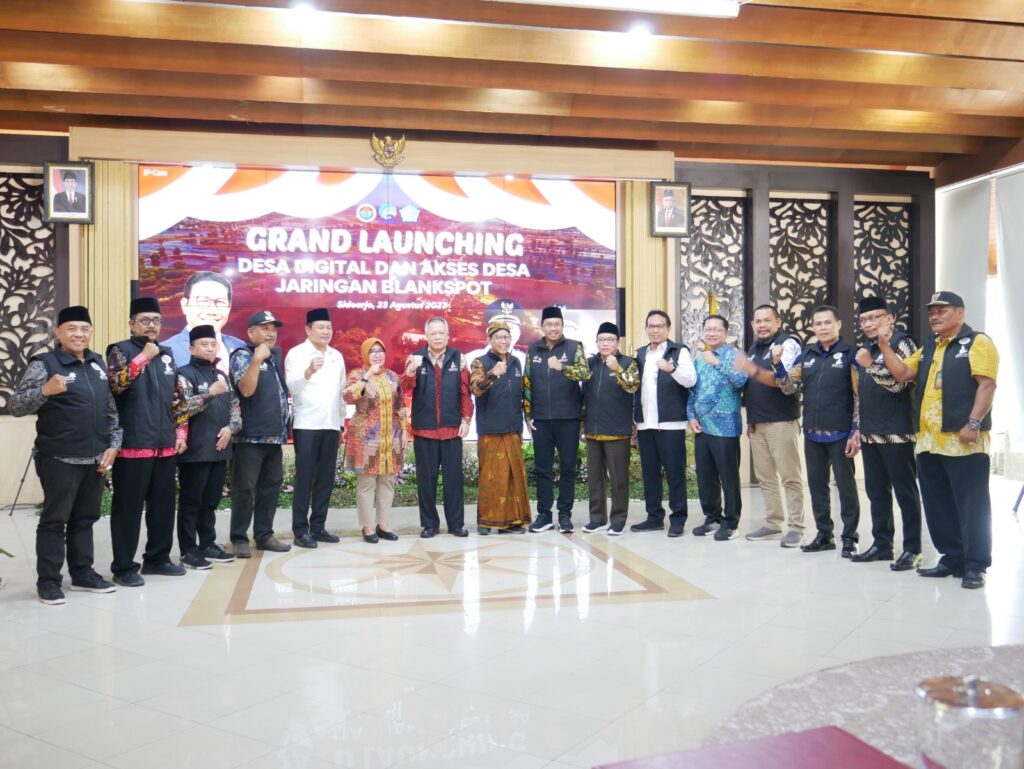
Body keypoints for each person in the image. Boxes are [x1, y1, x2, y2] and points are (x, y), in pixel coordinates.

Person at [876, 291, 998, 590]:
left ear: (960, 312)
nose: (934, 316)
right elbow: (903, 373)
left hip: (963, 440)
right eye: (932, 312)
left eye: (942, 310)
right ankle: (952, 558)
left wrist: (973, 422)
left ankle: (975, 565)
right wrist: (884, 346)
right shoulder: (929, 346)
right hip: (929, 441)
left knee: (972, 506)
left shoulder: (977, 342)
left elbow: (987, 385)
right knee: (938, 504)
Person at [10, 306, 121, 604]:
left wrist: (113, 446)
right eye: (72, 328)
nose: (79, 334)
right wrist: (45, 391)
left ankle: (83, 574)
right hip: (59, 457)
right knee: (54, 520)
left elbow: (110, 410)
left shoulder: (97, 363)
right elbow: (16, 406)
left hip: (95, 458)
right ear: (59, 333)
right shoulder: (45, 364)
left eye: (84, 329)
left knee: (85, 519)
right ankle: (48, 581)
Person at [106, 296, 188, 586]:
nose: (151, 325)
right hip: (133, 444)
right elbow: (116, 384)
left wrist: (181, 433)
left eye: (155, 320)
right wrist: (143, 358)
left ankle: (157, 559)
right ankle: (123, 567)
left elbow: (178, 398)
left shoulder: (167, 355)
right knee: (127, 510)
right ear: (132, 324)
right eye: (144, 320)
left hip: (165, 445)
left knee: (163, 508)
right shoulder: (120, 350)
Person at [774, 305, 861, 557]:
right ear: (812, 327)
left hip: (841, 433)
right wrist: (778, 365)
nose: (822, 327)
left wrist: (855, 430)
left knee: (845, 488)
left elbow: (860, 395)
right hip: (812, 433)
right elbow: (789, 388)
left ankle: (849, 537)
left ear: (838, 324)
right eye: (818, 324)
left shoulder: (851, 354)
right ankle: (824, 535)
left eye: (827, 322)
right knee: (817, 487)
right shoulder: (807, 354)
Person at [852, 296, 923, 571]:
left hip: (897, 432)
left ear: (890, 318)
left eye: (875, 317)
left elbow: (898, 385)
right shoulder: (867, 349)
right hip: (871, 433)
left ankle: (913, 549)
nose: (869, 324)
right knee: (876, 492)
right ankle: (882, 544)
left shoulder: (903, 342)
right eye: (864, 320)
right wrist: (858, 428)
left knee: (905, 493)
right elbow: (862, 395)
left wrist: (870, 365)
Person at [733, 305, 806, 547]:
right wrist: (751, 420)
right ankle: (773, 524)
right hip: (758, 423)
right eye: (758, 321)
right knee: (766, 478)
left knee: (790, 477)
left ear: (778, 322)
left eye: (767, 320)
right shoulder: (755, 348)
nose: (762, 325)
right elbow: (751, 388)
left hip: (781, 421)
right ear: (752, 325)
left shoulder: (788, 344)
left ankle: (796, 527)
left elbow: (783, 383)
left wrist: (751, 369)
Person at [174, 324, 240, 570]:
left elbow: (235, 407)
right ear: (191, 348)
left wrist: (231, 428)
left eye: (213, 344)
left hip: (219, 449)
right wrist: (209, 394)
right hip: (195, 450)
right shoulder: (183, 374)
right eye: (204, 344)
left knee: (211, 502)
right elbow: (180, 409)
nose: (210, 348)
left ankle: (208, 544)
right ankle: (188, 550)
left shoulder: (221, 375)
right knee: (191, 503)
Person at [401, 317, 473, 538]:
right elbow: (404, 388)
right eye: (433, 333)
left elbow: (465, 393)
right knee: (426, 480)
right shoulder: (415, 358)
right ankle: (429, 524)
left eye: (442, 333)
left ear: (448, 335)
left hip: (452, 429)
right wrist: (411, 370)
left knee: (454, 480)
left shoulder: (459, 358)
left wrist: (466, 420)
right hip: (425, 429)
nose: (438, 337)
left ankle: (456, 524)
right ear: (427, 336)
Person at [229, 310, 291, 557]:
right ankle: (239, 538)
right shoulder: (243, 355)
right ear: (250, 332)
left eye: (273, 329)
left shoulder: (272, 359)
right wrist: (257, 360)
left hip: (273, 436)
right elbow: (246, 390)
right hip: (250, 438)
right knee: (244, 490)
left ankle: (264, 535)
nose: (270, 334)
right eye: (265, 329)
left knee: (270, 488)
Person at [632, 309, 697, 537]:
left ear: (668, 328)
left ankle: (678, 519)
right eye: (651, 326)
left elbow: (691, 380)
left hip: (670, 424)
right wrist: (634, 417)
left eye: (660, 326)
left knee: (674, 473)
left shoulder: (679, 351)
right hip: (645, 424)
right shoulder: (640, 354)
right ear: (646, 329)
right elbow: (635, 387)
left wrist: (672, 369)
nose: (655, 330)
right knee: (650, 474)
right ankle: (654, 517)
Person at [524, 306, 589, 533]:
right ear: (542, 326)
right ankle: (544, 515)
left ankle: (565, 515)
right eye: (549, 324)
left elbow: (585, 373)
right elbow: (527, 382)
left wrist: (562, 367)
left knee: (568, 468)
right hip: (541, 419)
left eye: (557, 324)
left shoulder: (574, 347)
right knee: (542, 468)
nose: (553, 328)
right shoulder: (533, 349)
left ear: (562, 326)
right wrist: (528, 415)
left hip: (569, 417)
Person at [285, 308, 345, 548]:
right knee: (305, 479)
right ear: (308, 330)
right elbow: (292, 387)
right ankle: (300, 531)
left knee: (325, 479)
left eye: (329, 327)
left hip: (331, 425)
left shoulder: (336, 356)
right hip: (306, 426)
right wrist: (308, 371)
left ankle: (318, 527)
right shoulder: (296, 354)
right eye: (321, 327)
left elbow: (341, 393)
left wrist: (340, 424)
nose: (326, 332)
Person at [688, 315, 748, 541]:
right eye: (708, 329)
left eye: (716, 329)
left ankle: (731, 523)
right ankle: (712, 518)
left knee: (728, 477)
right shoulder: (699, 359)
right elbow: (692, 391)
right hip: (702, 426)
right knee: (706, 476)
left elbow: (741, 381)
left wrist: (717, 363)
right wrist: (691, 416)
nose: (711, 333)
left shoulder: (736, 356)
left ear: (726, 333)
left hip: (725, 426)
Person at [471, 320, 532, 535]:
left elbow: (523, 393)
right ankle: (486, 522)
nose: (503, 341)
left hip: (513, 427)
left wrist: (527, 418)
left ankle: (512, 522)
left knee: (513, 477)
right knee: (491, 477)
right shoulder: (480, 362)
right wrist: (493, 374)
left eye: (506, 337)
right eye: (498, 337)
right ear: (489, 340)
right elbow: (476, 389)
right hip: (490, 429)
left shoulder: (516, 362)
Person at [344, 338, 405, 543]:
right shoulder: (357, 374)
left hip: (391, 437)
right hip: (366, 439)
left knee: (387, 481)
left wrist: (404, 429)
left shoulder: (392, 376)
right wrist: (367, 375)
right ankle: (367, 526)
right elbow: (348, 397)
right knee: (366, 483)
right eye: (372, 351)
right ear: (365, 354)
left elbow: (400, 404)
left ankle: (383, 525)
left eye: (381, 350)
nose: (377, 354)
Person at [580, 322, 639, 535]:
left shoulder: (628, 362)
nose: (605, 343)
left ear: (618, 343)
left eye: (610, 340)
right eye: (602, 340)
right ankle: (597, 519)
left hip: (617, 430)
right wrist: (582, 423)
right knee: (595, 479)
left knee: (618, 479)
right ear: (596, 342)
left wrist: (617, 369)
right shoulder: (590, 363)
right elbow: (583, 396)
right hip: (593, 430)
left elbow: (633, 386)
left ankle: (618, 520)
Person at [165, 271, 245, 372]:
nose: (212, 310)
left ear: (229, 307)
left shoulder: (240, 346)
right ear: (185, 305)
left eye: (220, 302)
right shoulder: (167, 350)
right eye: (203, 301)